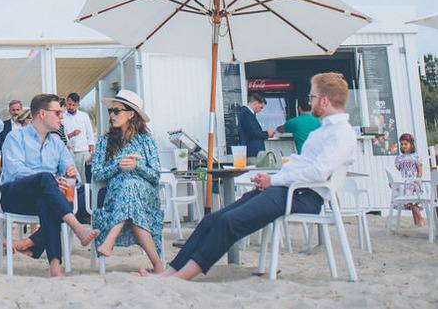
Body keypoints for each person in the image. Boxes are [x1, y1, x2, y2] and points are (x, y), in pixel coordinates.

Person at [152, 72, 356, 280]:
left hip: (303, 196)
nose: (310, 102)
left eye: (312, 97)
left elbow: (318, 172)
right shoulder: (322, 131)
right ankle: (169, 272)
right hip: (289, 190)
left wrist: (273, 180)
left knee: (229, 221)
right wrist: (270, 180)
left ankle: (181, 277)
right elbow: (302, 165)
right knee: (212, 219)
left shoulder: (341, 133)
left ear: (324, 100)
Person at [0, 93, 98, 277]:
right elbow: (15, 171)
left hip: (46, 197)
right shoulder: (15, 136)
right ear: (42, 114)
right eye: (58, 113)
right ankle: (77, 228)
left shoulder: (57, 143)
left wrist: (70, 176)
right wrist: (51, 180)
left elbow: (73, 173)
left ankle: (54, 264)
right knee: (46, 180)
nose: (62, 117)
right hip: (16, 196)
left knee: (53, 201)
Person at [90, 89, 163, 272]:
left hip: (145, 194)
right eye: (110, 111)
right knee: (129, 191)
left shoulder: (146, 140)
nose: (112, 115)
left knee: (131, 185)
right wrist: (118, 166)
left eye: (117, 111)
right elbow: (97, 174)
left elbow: (155, 175)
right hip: (115, 195)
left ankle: (110, 239)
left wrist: (137, 166)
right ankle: (158, 266)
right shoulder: (104, 141)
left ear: (131, 114)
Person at [394, 132, 425, 227]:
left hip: (414, 182)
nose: (403, 146)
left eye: (405, 144)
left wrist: (417, 181)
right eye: (402, 144)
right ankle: (417, 223)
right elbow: (399, 171)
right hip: (405, 183)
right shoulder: (399, 158)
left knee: (413, 201)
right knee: (409, 202)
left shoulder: (416, 156)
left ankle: (420, 218)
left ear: (411, 144)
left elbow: (420, 171)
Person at [62, 93, 95, 181]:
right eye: (69, 104)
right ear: (66, 103)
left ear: (78, 105)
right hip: (69, 151)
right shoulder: (62, 117)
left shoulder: (84, 116)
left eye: (74, 105)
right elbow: (62, 136)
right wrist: (72, 134)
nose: (71, 107)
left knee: (85, 176)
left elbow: (89, 132)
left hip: (83, 150)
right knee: (71, 176)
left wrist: (91, 146)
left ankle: (85, 189)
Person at [237, 91, 275, 158]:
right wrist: (267, 133)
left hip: (252, 151)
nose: (261, 110)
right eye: (261, 107)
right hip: (252, 152)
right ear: (255, 103)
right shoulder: (246, 113)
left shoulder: (248, 113)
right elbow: (253, 133)